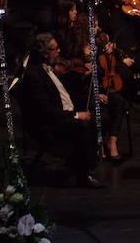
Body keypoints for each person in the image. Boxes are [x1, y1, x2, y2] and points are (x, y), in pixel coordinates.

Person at [18, 33, 117, 186]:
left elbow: (67, 97)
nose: (58, 52)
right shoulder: (34, 75)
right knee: (83, 125)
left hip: (65, 115)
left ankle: (75, 162)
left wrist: (92, 98)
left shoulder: (49, 69)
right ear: (44, 53)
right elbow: (46, 110)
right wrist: (76, 115)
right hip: (50, 123)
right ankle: (84, 175)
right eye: (54, 49)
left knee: (102, 117)